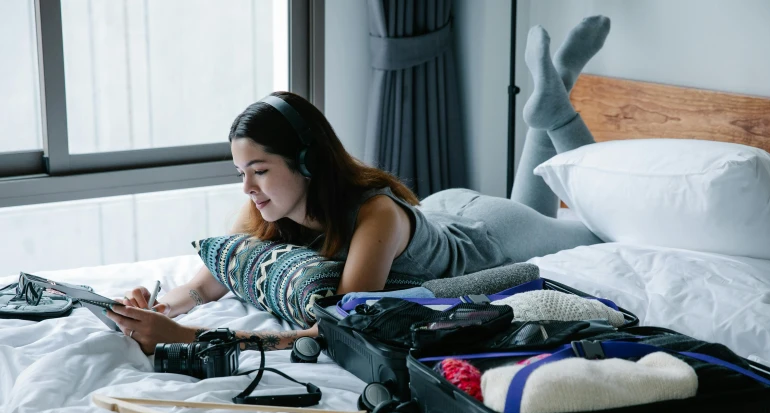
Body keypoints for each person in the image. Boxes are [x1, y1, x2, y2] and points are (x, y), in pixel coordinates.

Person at [108, 16, 611, 355]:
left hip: (493, 233)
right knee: (546, 201)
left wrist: (189, 338)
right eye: (241, 173)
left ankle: (559, 112)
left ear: (307, 161)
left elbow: (337, 332)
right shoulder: (275, 212)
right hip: (444, 210)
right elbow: (203, 284)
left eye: (259, 170)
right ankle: (556, 93)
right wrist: (157, 308)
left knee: (603, 232)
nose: (248, 189)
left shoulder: (374, 215)